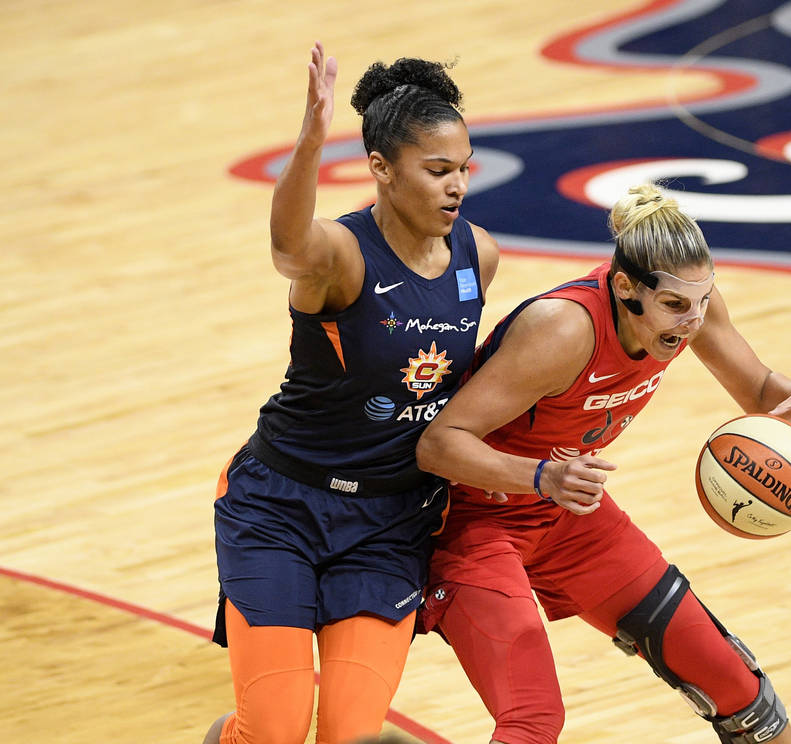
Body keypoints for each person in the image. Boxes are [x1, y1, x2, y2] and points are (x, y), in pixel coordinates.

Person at [415, 183, 791, 744]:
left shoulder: (691, 308)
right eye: (674, 305)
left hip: (566, 513)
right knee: (533, 721)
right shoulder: (563, 329)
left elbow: (761, 392)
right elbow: (438, 444)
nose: (691, 321)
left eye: (701, 301)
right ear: (624, 287)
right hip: (473, 519)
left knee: (742, 694)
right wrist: (541, 477)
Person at [203, 41, 499, 744]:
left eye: (463, 169)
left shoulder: (478, 257)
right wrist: (309, 141)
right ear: (381, 170)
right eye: (437, 171)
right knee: (272, 732)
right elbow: (285, 246)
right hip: (280, 508)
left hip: (388, 526)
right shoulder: (340, 253)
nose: (456, 186)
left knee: (348, 737)